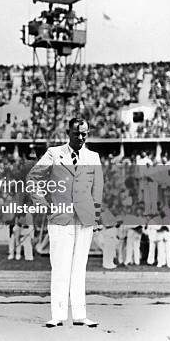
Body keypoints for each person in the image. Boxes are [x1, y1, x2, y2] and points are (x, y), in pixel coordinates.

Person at [27, 117, 103, 328]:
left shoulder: (93, 157)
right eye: (76, 133)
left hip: (85, 219)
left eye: (84, 134)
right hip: (60, 219)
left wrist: (96, 218)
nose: (80, 137)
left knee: (80, 268)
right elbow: (32, 178)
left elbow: (98, 190)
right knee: (60, 267)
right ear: (68, 133)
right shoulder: (54, 153)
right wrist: (42, 204)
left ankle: (80, 315)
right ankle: (58, 315)